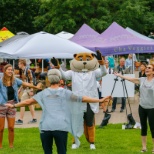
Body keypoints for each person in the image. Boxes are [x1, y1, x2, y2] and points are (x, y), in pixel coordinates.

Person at [5, 69, 111, 154]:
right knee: (61, 151)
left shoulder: (43, 93)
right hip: (61, 127)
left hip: (46, 127)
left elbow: (28, 102)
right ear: (60, 79)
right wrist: (99, 100)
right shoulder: (66, 93)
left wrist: (14, 105)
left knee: (47, 152)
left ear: (49, 80)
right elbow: (83, 98)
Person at [114, 64, 154, 153]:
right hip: (142, 107)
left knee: (153, 128)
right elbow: (131, 80)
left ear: (153, 71)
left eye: (149, 68)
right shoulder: (142, 79)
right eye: (146, 67)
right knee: (143, 127)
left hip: (152, 108)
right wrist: (120, 76)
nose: (147, 69)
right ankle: (144, 147)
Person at [0, 64, 40, 149]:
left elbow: (25, 83)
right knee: (1, 128)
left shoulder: (15, 81)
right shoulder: (0, 82)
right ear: (5, 71)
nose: (10, 71)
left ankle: (11, 146)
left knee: (11, 127)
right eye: (9, 70)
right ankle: (0, 146)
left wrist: (35, 86)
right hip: (2, 105)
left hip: (12, 105)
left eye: (12, 70)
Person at [16, 59, 37, 125]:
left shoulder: (28, 70)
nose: (18, 65)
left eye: (19, 64)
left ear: (22, 64)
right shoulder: (23, 71)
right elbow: (24, 82)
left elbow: (31, 80)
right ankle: (34, 118)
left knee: (22, 102)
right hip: (26, 89)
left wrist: (31, 90)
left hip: (29, 89)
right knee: (30, 104)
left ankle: (21, 119)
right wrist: (20, 89)